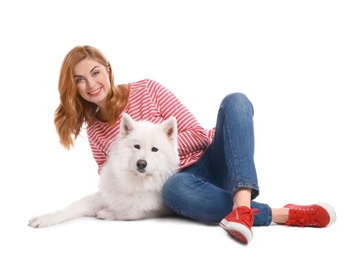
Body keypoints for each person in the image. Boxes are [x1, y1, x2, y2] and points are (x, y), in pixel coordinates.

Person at [55, 45, 336, 244]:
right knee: (173, 190)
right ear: (73, 88)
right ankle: (279, 214)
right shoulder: (96, 132)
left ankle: (241, 204)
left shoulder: (147, 89)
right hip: (185, 184)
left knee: (236, 101)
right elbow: (110, 177)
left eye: (94, 73)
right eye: (79, 80)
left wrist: (161, 151)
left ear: (108, 70)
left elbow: (198, 134)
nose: (91, 84)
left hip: (215, 159)